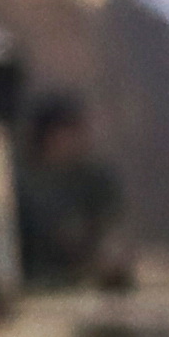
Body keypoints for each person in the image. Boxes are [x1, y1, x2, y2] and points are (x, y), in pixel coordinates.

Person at [18, 90, 132, 290]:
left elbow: (111, 228)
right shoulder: (25, 185)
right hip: (38, 284)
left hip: (90, 283)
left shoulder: (95, 179)